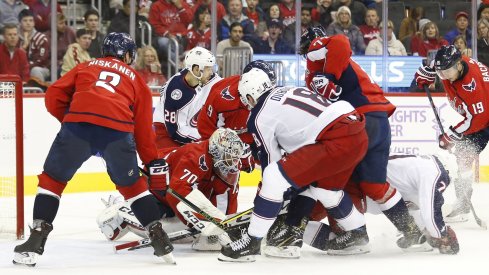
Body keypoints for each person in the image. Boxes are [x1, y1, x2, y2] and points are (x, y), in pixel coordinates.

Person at [12, 32, 175, 267]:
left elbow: (54, 95)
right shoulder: (137, 79)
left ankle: (36, 240)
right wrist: (151, 161)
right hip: (118, 133)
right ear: (128, 55)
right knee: (134, 188)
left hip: (77, 128)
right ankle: (160, 240)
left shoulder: (86, 66)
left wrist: (70, 120)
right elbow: (142, 128)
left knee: (52, 181)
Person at [218, 69, 369, 262]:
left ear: (250, 94)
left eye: (244, 97)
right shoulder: (287, 90)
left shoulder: (259, 115)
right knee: (325, 190)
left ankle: (251, 242)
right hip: (357, 134)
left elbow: (270, 166)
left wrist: (268, 201)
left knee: (273, 176)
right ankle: (358, 235)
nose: (244, 102)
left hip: (334, 140)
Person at [295, 27, 424, 252]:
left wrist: (329, 77)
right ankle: (410, 230)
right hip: (378, 120)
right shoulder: (325, 67)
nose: (309, 55)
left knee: (333, 180)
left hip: (359, 121)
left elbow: (340, 41)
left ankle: (347, 233)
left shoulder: (324, 57)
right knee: (371, 184)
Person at [97, 128, 246, 251]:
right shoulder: (196, 156)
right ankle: (121, 214)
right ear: (215, 150)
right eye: (228, 156)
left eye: (234, 158)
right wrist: (197, 223)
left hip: (175, 193)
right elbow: (177, 192)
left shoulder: (225, 166)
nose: (232, 162)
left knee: (197, 227)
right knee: (155, 224)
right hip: (157, 193)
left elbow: (226, 195)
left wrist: (227, 223)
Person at [303, 154, 460, 255]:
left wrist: (427, 232)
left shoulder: (419, 169)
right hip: (356, 186)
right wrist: (442, 234)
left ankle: (291, 227)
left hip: (359, 187)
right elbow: (431, 211)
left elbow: (418, 209)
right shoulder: (435, 173)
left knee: (304, 218)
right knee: (346, 237)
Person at [414, 45, 489, 223]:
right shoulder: (449, 63)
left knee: (464, 152)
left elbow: (478, 119)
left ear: (459, 65)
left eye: (447, 72)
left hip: (484, 118)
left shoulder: (472, 86)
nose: (444, 77)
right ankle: (463, 204)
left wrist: (451, 134)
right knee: (463, 155)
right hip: (480, 114)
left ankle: (463, 204)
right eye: (441, 73)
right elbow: (435, 65)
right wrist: (426, 72)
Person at [153, 46, 220, 149]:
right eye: (208, 68)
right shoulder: (176, 93)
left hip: (188, 126)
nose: (211, 72)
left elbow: (221, 84)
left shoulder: (197, 76)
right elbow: (175, 132)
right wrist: (209, 137)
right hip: (167, 135)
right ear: (196, 69)